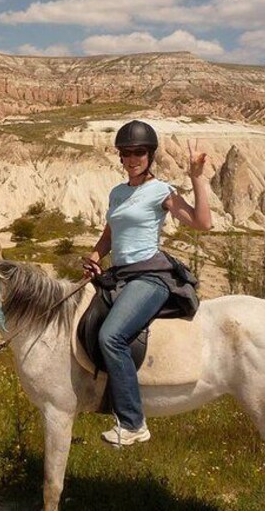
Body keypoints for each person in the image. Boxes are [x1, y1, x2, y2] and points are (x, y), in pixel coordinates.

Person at [82, 120, 212, 447]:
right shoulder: (118, 192)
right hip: (119, 274)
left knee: (111, 336)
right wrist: (96, 256)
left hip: (150, 276)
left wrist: (197, 178)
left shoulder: (162, 191)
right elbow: (111, 233)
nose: (132, 158)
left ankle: (133, 422)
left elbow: (202, 222)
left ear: (150, 154)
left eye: (139, 151)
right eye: (126, 152)